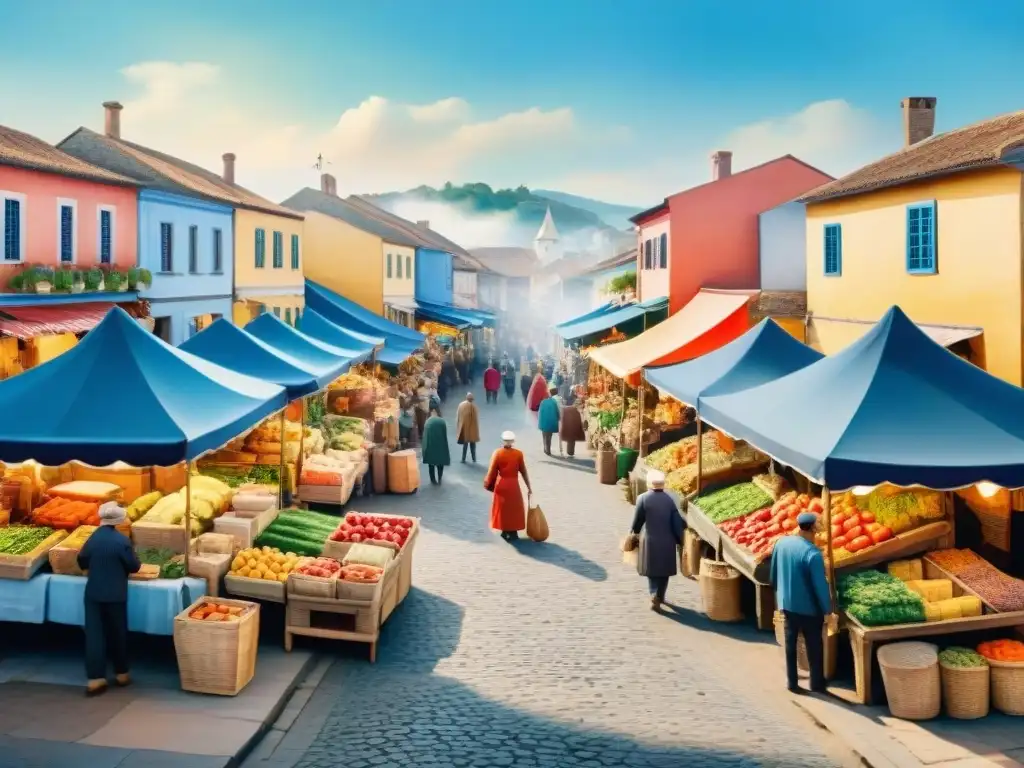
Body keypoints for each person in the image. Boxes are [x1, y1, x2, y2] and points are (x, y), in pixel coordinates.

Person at [77, 502, 141, 696]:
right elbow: (134, 566)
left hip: (93, 593)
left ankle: (95, 679)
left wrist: (89, 568)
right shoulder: (121, 542)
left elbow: (81, 559)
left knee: (94, 635)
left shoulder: (93, 538)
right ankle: (121, 673)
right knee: (117, 633)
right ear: (119, 521)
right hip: (116, 594)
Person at [770, 512, 832, 695]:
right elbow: (820, 586)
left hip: (787, 603)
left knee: (790, 643)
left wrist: (780, 595)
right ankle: (816, 683)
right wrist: (827, 609)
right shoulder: (813, 554)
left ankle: (792, 682)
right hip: (809, 609)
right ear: (813, 529)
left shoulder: (781, 543)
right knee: (814, 646)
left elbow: (773, 573)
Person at [628, 470, 685, 610]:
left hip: (650, 539)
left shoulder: (642, 498)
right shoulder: (670, 499)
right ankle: (660, 595)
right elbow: (677, 522)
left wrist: (633, 533)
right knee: (664, 571)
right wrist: (681, 540)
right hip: (668, 540)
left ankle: (653, 594)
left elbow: (638, 521)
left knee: (652, 570)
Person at [484, 430, 533, 541]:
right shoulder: (518, 454)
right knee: (514, 508)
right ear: (513, 441)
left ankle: (504, 530)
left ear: (503, 440)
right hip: (513, 484)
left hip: (501, 484)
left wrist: (488, 484)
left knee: (502, 509)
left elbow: (491, 472)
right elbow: (523, 471)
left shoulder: (497, 453)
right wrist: (529, 486)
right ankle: (513, 531)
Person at [420, 407, 451, 485]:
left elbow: (425, 436)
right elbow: (444, 434)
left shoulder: (427, 422)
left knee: (431, 464)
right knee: (440, 464)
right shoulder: (442, 421)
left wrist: (424, 449)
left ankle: (433, 480)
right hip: (440, 445)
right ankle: (440, 478)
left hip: (430, 446)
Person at [456, 392, 481, 463]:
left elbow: (458, 416)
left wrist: (458, 426)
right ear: (472, 399)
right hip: (472, 429)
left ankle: (463, 459)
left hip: (464, 428)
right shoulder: (474, 407)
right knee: (473, 445)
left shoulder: (461, 405)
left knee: (465, 445)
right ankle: (474, 458)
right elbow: (475, 419)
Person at [537, 385, 561, 456]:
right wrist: (559, 419)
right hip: (551, 422)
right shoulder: (554, 402)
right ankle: (548, 449)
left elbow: (540, 412)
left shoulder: (542, 402)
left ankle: (546, 449)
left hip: (543, 422)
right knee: (549, 436)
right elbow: (557, 412)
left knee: (544, 435)